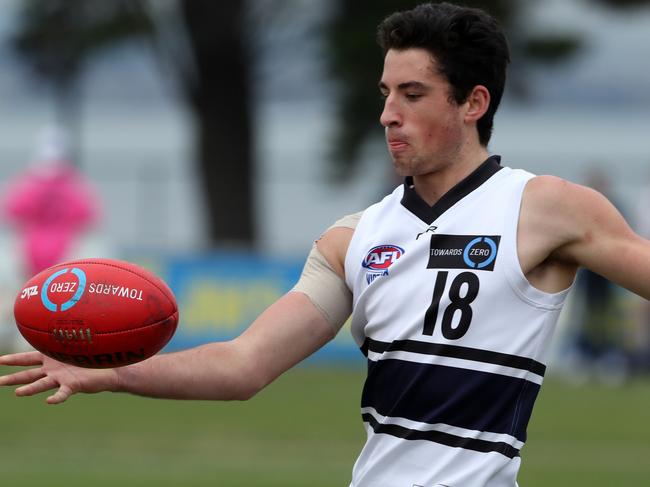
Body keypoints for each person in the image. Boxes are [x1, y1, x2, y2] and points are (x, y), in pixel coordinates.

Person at [1, 3, 649, 486]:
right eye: (385, 94)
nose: (388, 113)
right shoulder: (353, 238)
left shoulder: (546, 209)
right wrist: (109, 373)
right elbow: (242, 365)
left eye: (413, 94)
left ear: (474, 102)